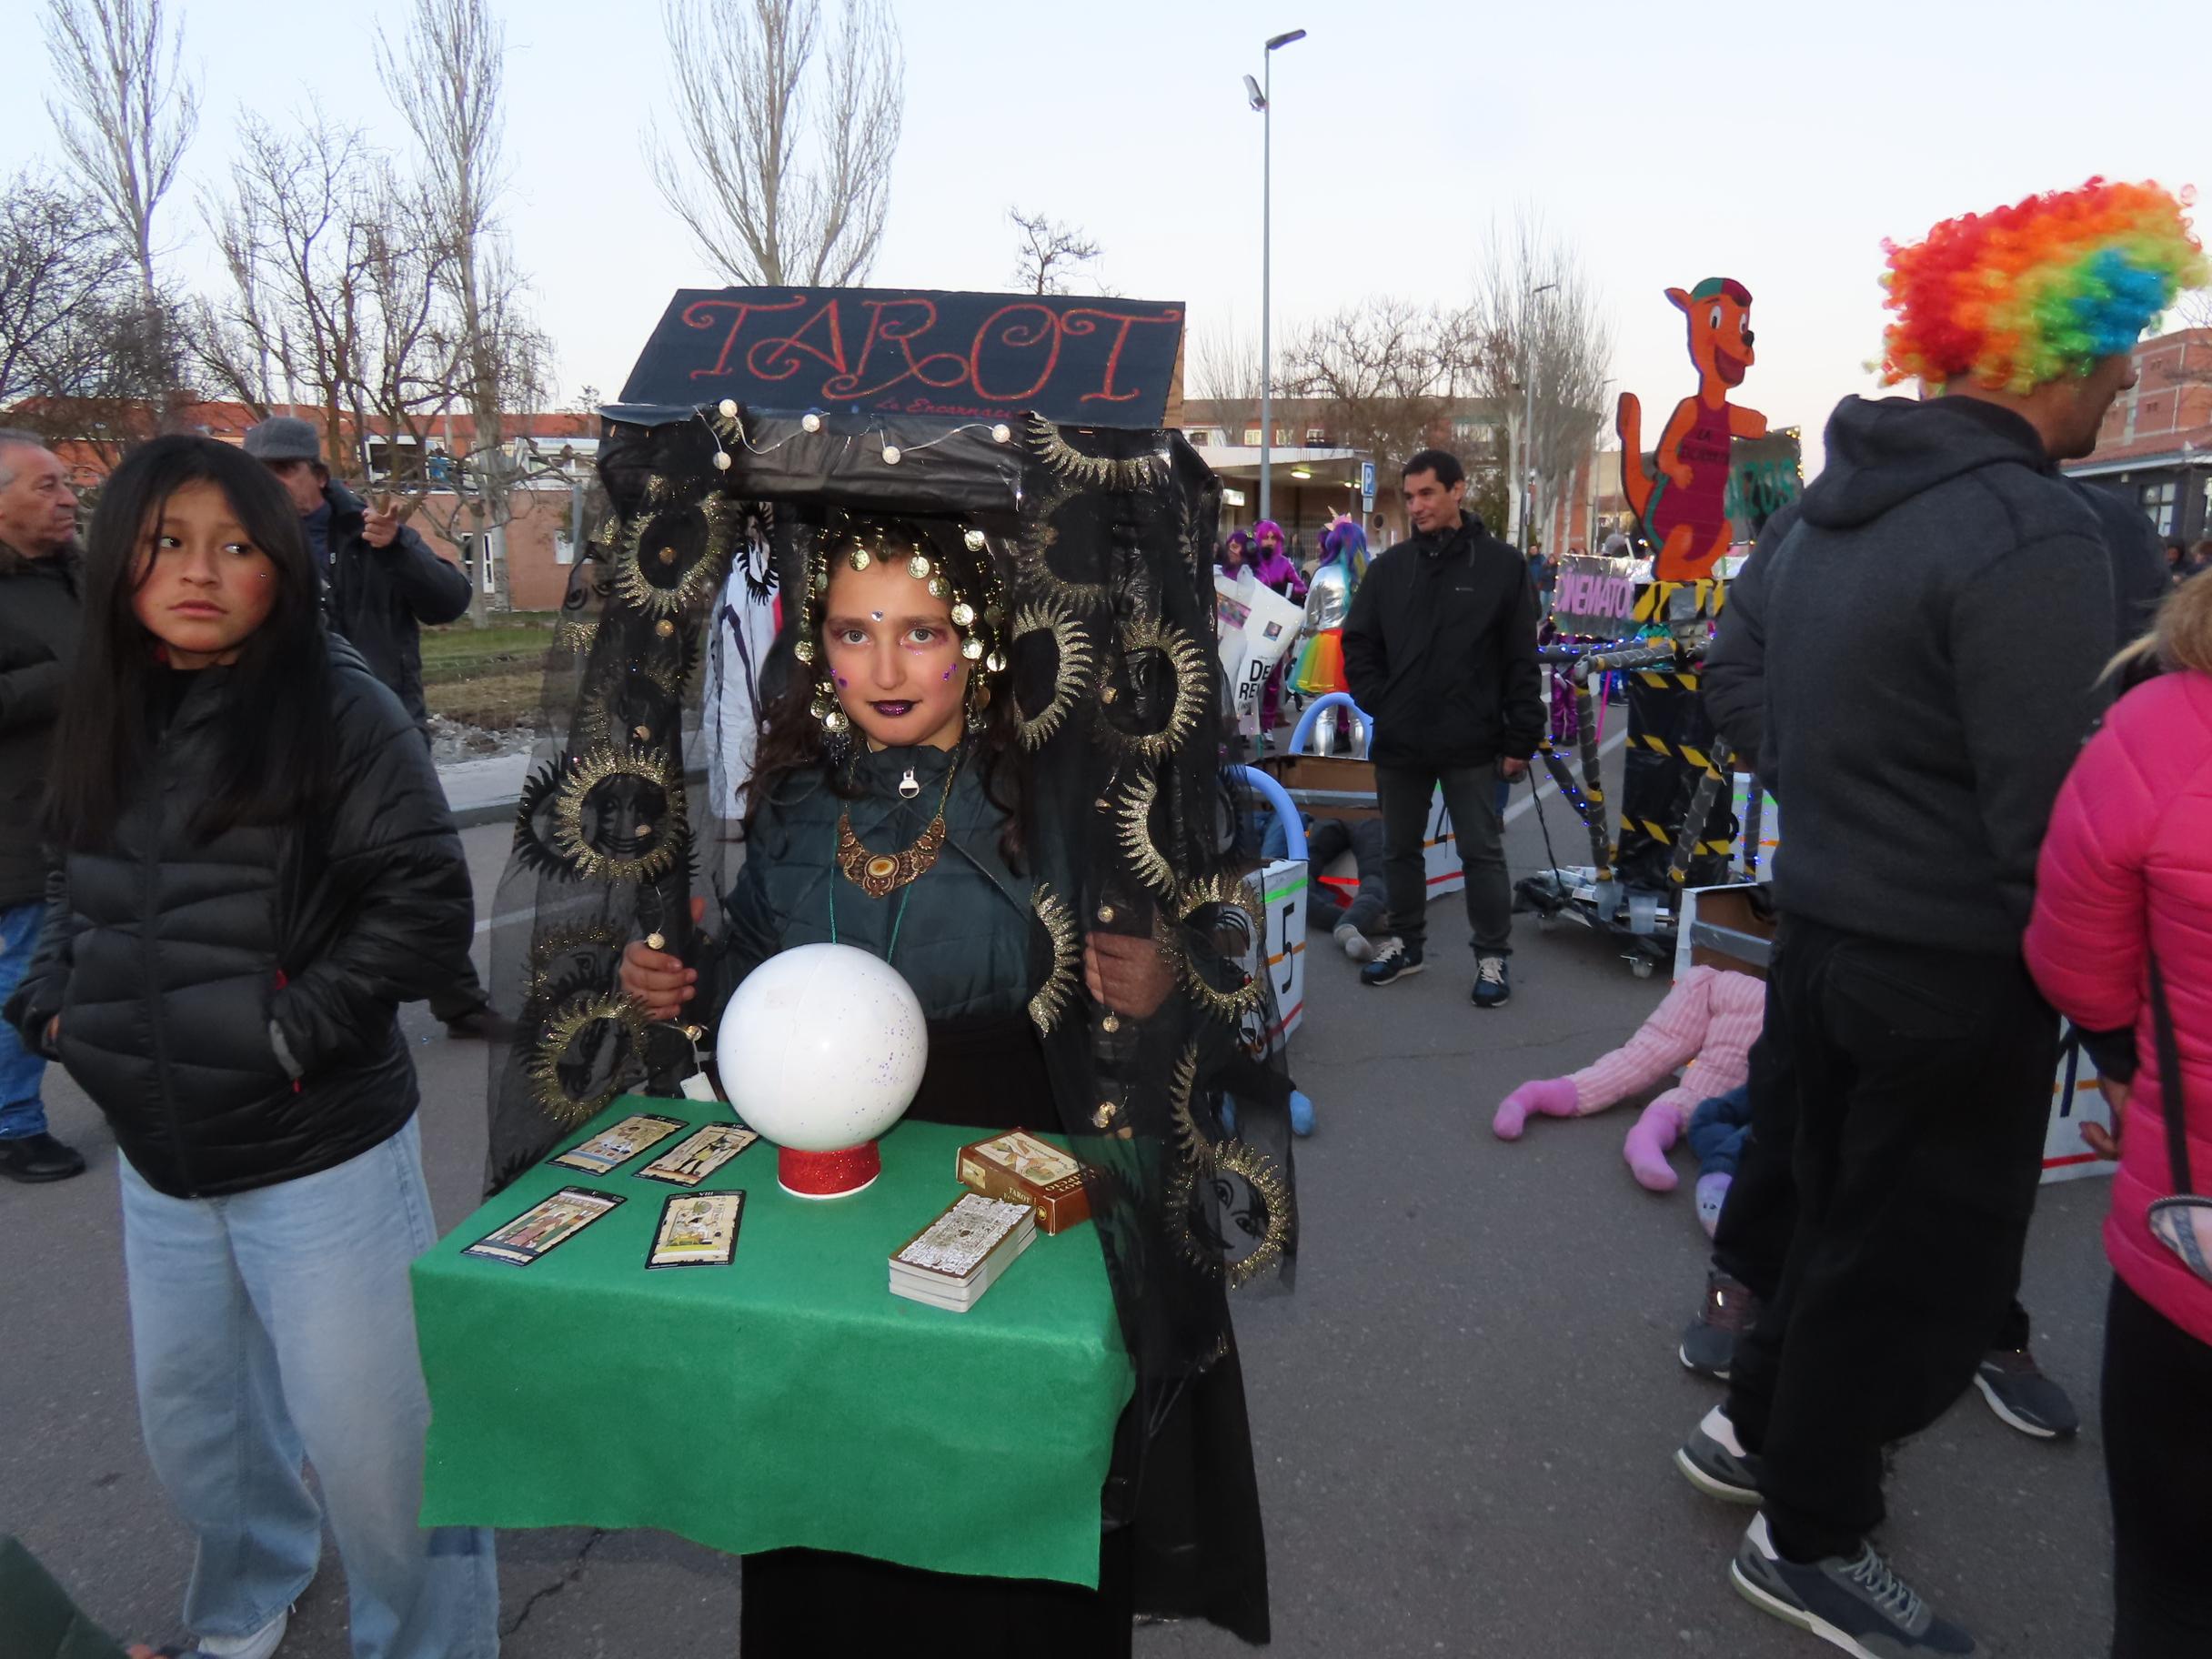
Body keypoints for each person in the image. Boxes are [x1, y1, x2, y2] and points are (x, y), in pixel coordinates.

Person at [1674, 178, 2204, 1659]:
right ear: (2053, 345)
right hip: (1956, 965)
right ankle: (1810, 1531)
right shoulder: (2032, 530)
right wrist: (2121, 1034)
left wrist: (1842, 795)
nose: (2120, 377)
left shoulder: (1837, 511)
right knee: (1907, 1268)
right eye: (2116, 348)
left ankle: (1752, 1432)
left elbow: (1757, 695)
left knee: (1839, 1222)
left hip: (1828, 934)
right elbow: (2073, 830)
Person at [618, 513, 1276, 1654]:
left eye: (919, 632)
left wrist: (1164, 979)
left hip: (1009, 1176)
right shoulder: (789, 799)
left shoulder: (1064, 798)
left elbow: (1221, 975)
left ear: (977, 642)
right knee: (827, 1489)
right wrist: (681, 987)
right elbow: (748, 989)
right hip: (820, 1195)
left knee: (996, 1500)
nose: (881, 667)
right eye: (851, 631)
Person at [3, 436, 499, 1659]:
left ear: (281, 564)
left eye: (236, 546)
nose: (200, 572)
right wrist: (55, 999)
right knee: (202, 1433)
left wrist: (295, 1030)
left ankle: (430, 1644)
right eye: (167, 542)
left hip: (316, 1152)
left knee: (380, 1450)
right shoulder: (109, 705)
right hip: (161, 1159)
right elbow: (71, 868)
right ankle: (244, 1604)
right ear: (119, 559)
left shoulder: (339, 706)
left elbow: (426, 901)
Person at [1675, 464, 2167, 1430]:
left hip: (2014, 939)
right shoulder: (1833, 512)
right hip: (1838, 912)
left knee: (1980, 1169)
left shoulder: (2104, 528)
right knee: (1797, 1124)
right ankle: (1752, 1307)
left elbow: (2140, 720)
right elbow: (1733, 665)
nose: (2114, 380)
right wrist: (1825, 776)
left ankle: (1976, 1323)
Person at [2026, 576, 2212, 1659]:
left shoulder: (2157, 728)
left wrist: (2137, 1070)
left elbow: (2075, 964)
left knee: (2170, 1592)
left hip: (2185, 1244)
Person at [240, 416, 495, 1039]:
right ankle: (297, 1014)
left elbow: (450, 602)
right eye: (259, 473)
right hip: (283, 738)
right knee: (289, 879)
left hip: (385, 735)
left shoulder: (371, 534)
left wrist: (400, 545)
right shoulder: (241, 544)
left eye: (283, 471)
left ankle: (459, 1001)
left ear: (317, 476)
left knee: (416, 866)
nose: (270, 485)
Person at [1341, 447, 1542, 1007]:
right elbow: (1358, 643)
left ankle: (1492, 958)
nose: (1416, 506)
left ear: (1458, 490)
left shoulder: (1501, 567)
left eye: (1427, 493)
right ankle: (1405, 945)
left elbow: (1521, 660)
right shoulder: (1389, 570)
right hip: (1403, 740)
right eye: (1409, 497)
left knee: (1482, 852)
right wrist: (1383, 700)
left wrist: (1520, 736)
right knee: (1399, 850)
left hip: (1472, 740)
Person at [0, 431, 87, 1182]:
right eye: (45, 486)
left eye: (66, 484)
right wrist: (74, 675)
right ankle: (12, 1123)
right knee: (26, 970)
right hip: (18, 824)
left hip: (96, 808)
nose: (67, 498)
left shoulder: (79, 574)